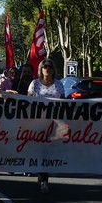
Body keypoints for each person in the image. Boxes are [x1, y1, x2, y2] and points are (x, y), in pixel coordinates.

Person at [28, 59, 65, 194]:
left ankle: (43, 174)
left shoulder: (59, 84)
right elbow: (28, 102)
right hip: (39, 122)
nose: (47, 69)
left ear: (53, 69)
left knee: (48, 151)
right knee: (40, 150)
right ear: (40, 69)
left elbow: (63, 103)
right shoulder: (35, 84)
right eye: (44, 66)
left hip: (54, 123)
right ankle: (44, 178)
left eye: (49, 66)